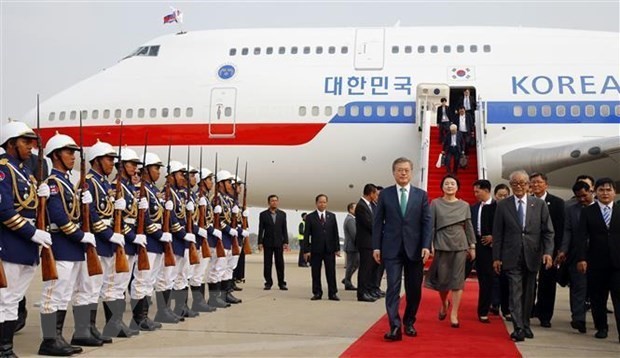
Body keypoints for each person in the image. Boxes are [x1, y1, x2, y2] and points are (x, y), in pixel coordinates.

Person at [37, 133, 97, 356]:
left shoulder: (67, 183)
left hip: (71, 248)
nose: (73, 156)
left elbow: (72, 214)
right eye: (69, 152)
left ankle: (58, 337)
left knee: (64, 294)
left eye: (74, 152)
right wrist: (81, 236)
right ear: (55, 155)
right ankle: (49, 341)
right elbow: (59, 217)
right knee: (53, 294)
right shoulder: (53, 183)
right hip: (61, 246)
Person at [0, 120, 52, 357]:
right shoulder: (3, 169)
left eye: (32, 142)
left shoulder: (26, 172)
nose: (30, 147)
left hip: (27, 246)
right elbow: (5, 212)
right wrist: (32, 233)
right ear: (11, 144)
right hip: (10, 243)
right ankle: (4, 350)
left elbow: (32, 208)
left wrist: (44, 198)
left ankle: (6, 349)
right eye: (25, 141)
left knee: (13, 299)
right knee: (5, 300)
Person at [372, 157, 432, 341]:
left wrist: (426, 245)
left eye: (406, 170)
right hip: (391, 249)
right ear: (394, 173)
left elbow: (427, 223)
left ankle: (409, 322)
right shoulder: (385, 195)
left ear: (411, 172)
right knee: (393, 288)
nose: (403, 173)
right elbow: (377, 222)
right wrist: (376, 246)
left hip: (414, 250)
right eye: (399, 170)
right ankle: (395, 326)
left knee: (414, 290)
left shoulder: (421, 195)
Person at [492, 170, 554, 342]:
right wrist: (496, 257)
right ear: (511, 185)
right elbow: (498, 233)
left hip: (532, 255)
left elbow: (548, 232)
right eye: (515, 183)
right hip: (511, 255)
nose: (518, 186)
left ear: (528, 186)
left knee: (529, 293)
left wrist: (548, 252)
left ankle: (525, 324)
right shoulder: (503, 205)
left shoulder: (539, 205)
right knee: (515, 292)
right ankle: (518, 327)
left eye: (522, 183)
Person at [425, 175, 476, 328]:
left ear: (457, 187)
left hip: (460, 244)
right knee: (443, 281)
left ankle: (454, 313)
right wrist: (430, 244)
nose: (449, 186)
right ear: (442, 187)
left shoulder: (464, 205)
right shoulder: (435, 203)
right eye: (446, 184)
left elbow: (469, 226)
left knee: (457, 280)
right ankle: (444, 303)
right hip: (441, 243)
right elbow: (430, 225)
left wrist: (472, 246)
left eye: (452, 183)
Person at [85, 140, 122, 343]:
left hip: (106, 242)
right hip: (97, 242)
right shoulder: (89, 182)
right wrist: (108, 235)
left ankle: (90, 329)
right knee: (89, 288)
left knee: (101, 286)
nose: (112, 164)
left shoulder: (105, 183)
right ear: (97, 160)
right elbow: (90, 214)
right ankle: (84, 330)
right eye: (109, 159)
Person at [576, 178, 619, 342]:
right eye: (601, 190)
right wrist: (581, 258)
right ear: (595, 192)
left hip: (617, 262)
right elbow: (581, 237)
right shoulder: (588, 211)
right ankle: (601, 327)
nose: (605, 193)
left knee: (618, 297)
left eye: (609, 190)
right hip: (596, 261)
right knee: (597, 297)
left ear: (614, 192)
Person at [141, 153, 181, 324]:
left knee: (152, 280)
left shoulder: (154, 191)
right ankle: (140, 318)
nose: (159, 172)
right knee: (143, 281)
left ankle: (155, 314)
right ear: (147, 170)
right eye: (156, 168)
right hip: (150, 241)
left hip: (158, 241)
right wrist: (160, 235)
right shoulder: (143, 190)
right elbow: (145, 219)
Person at [557, 180, 594, 334]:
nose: (581, 199)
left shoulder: (601, 208)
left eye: (584, 196)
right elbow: (567, 231)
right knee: (578, 287)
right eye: (578, 197)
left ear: (591, 191)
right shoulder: (572, 210)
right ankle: (578, 318)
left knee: (597, 289)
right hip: (577, 254)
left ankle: (599, 320)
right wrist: (563, 250)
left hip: (598, 255)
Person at [530, 172, 565, 328]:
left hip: (549, 249)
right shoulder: (527, 201)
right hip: (530, 249)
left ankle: (545, 316)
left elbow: (561, 228)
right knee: (529, 282)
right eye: (533, 182)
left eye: (539, 182)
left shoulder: (557, 203)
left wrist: (558, 250)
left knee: (548, 283)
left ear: (546, 184)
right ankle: (530, 310)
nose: (536, 185)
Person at [302, 194, 341, 301]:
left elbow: (335, 233)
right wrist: (306, 250)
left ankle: (332, 293)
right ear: (316, 203)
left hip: (329, 249)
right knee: (315, 272)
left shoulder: (332, 216)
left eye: (324, 202)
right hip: (316, 250)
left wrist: (337, 248)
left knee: (331, 272)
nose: (322, 204)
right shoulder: (310, 217)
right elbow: (306, 236)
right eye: (320, 202)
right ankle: (317, 292)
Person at [470, 179, 495, 323]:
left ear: (486, 190)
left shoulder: (497, 206)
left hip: (492, 247)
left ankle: (488, 308)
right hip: (477, 244)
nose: (475, 194)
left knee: (490, 279)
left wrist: (494, 237)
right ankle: (483, 309)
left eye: (477, 191)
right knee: (482, 278)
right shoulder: (474, 208)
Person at [258, 195, 289, 290]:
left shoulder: (282, 214)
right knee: (267, 263)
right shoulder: (263, 214)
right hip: (267, 242)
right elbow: (261, 229)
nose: (274, 202)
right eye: (272, 201)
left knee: (280, 264)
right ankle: (268, 282)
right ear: (269, 202)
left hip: (279, 242)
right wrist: (260, 242)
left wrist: (286, 241)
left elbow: (284, 229)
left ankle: (281, 283)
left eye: (276, 201)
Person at [489, 183, 511, 320]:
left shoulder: (512, 209)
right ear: (494, 196)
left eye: (505, 195)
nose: (502, 198)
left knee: (506, 280)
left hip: (507, 249)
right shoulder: (489, 209)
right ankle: (494, 304)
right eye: (500, 195)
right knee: (494, 278)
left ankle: (506, 308)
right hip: (492, 249)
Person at [356, 184, 379, 302]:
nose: (376, 196)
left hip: (370, 242)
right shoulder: (361, 206)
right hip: (365, 243)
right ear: (370, 193)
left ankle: (367, 290)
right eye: (375, 193)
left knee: (369, 269)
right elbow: (369, 224)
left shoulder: (369, 205)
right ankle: (362, 293)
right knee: (364, 269)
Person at [342, 202, 358, 291]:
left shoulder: (352, 219)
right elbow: (354, 234)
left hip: (353, 246)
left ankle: (346, 279)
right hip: (352, 246)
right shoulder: (350, 220)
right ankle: (347, 283)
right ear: (351, 209)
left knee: (355, 264)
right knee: (351, 265)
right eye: (356, 208)